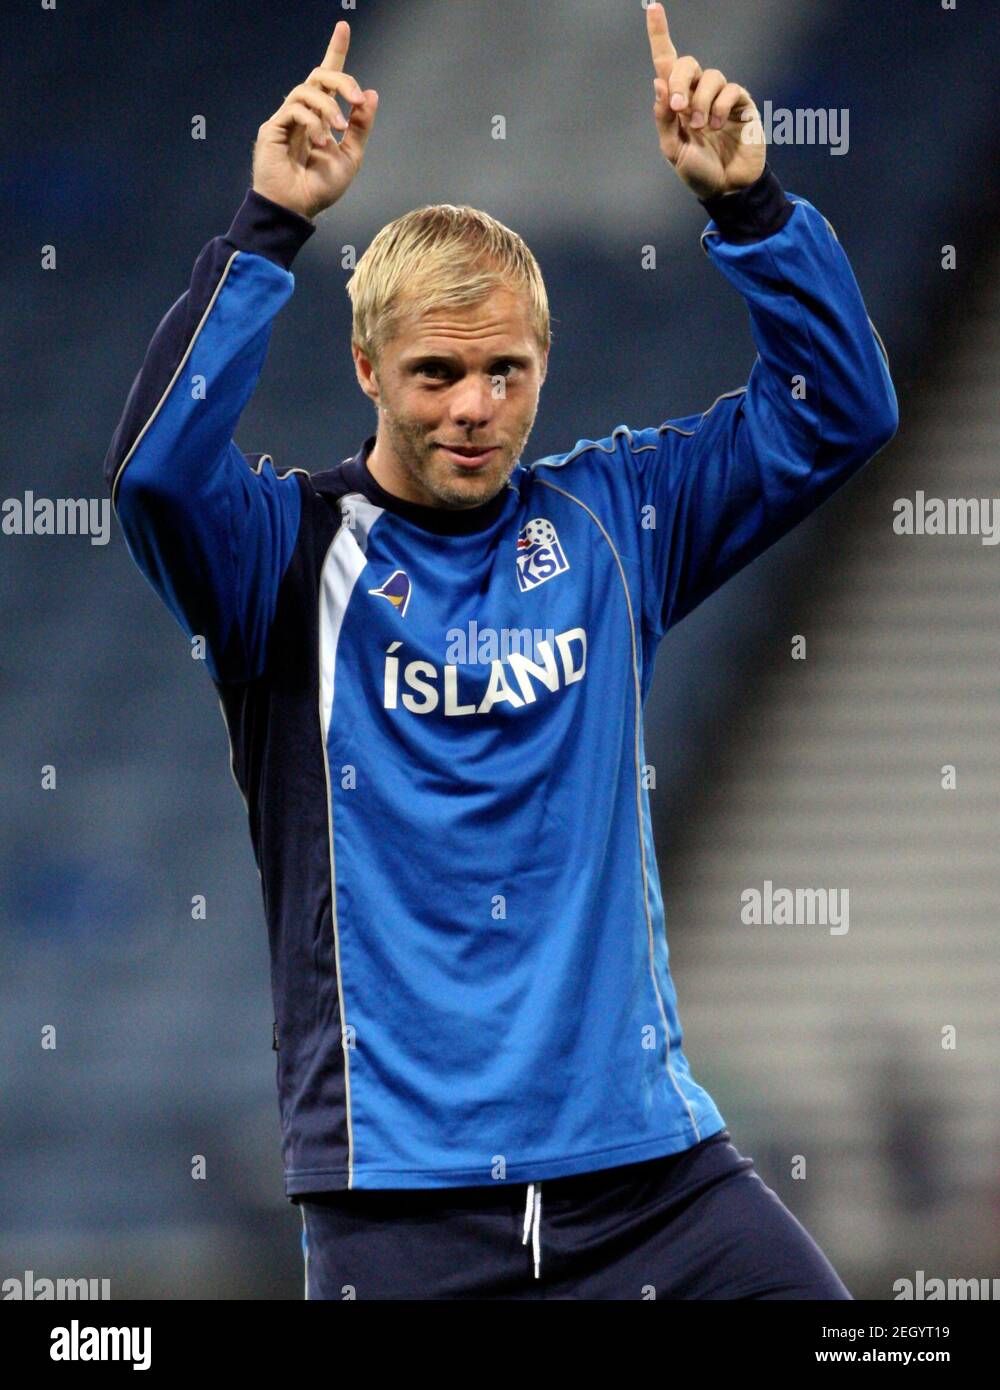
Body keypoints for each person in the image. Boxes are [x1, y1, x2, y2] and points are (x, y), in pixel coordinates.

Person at [103, 6, 897, 1299]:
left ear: (544, 365)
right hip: (404, 1201)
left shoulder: (616, 520)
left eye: (504, 370)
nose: (474, 406)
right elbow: (154, 477)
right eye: (434, 371)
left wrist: (751, 207)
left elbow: (842, 411)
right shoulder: (283, 561)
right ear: (365, 365)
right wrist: (267, 228)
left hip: (655, 1175)